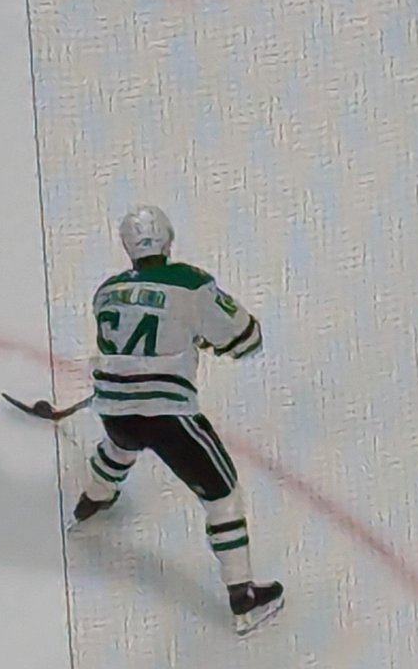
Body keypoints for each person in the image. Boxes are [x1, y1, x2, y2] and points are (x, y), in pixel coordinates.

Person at [73, 205, 283, 635]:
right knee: (223, 495)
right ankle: (243, 598)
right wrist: (205, 336)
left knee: (120, 444)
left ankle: (92, 500)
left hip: (113, 406)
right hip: (167, 413)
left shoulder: (106, 291)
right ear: (168, 240)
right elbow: (246, 340)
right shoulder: (190, 283)